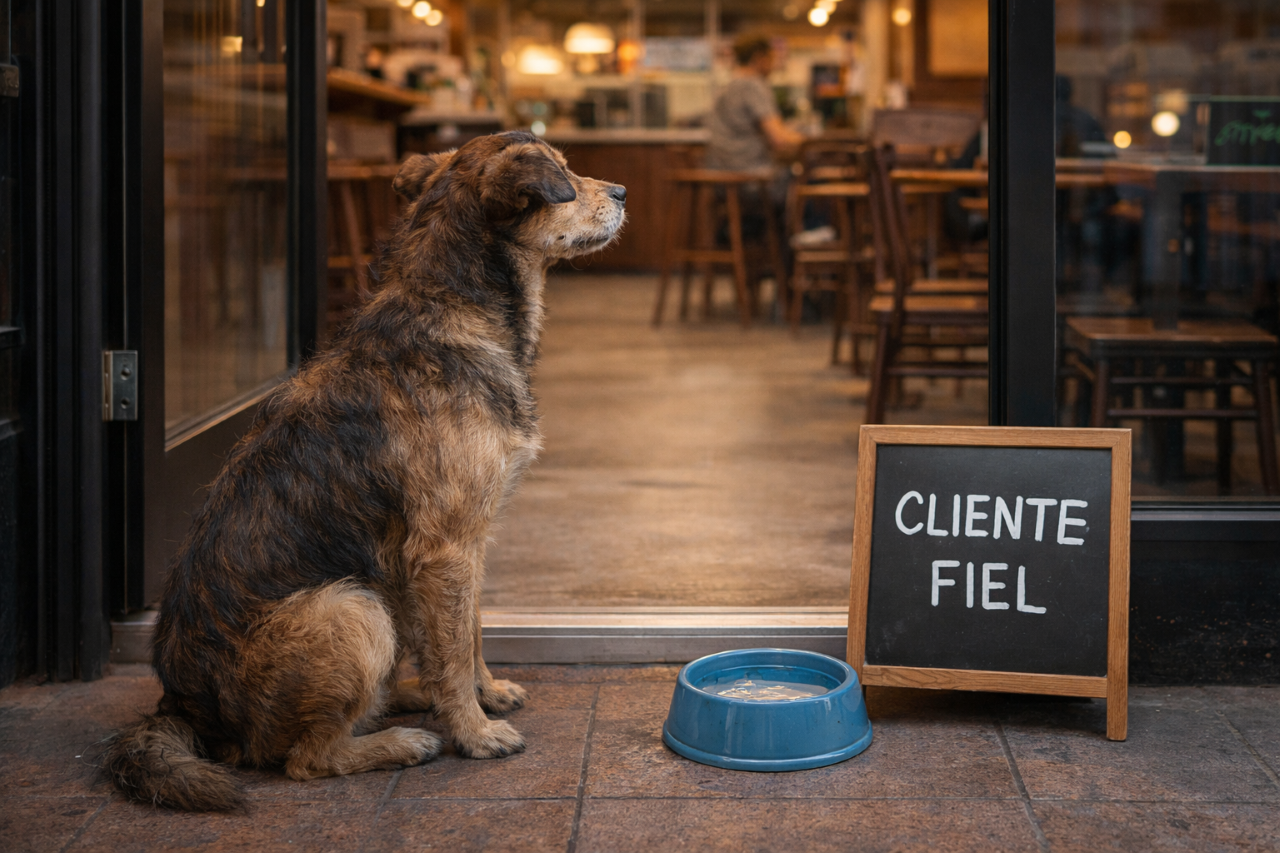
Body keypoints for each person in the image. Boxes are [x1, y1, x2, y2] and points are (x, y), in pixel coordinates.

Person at [705, 35, 804, 171]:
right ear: (759, 58)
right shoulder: (753, 85)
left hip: (720, 173)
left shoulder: (727, 87)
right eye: (771, 58)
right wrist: (803, 140)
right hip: (752, 174)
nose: (773, 66)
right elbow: (778, 138)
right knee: (806, 172)